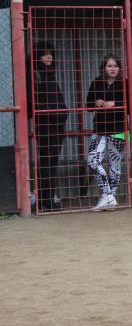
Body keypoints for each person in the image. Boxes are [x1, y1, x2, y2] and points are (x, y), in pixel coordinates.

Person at [85, 54, 132, 211]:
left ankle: (110, 198)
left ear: (119, 68)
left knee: (114, 164)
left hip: (119, 129)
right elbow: (88, 106)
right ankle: (107, 195)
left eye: (115, 66)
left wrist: (116, 104)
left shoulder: (125, 83)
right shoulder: (96, 83)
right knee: (93, 161)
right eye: (109, 66)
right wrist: (96, 103)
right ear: (103, 68)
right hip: (100, 129)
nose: (113, 69)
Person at [28, 41, 68, 212]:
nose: (49, 57)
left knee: (52, 163)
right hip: (46, 126)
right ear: (37, 56)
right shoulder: (35, 75)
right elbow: (33, 104)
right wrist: (55, 113)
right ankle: (46, 200)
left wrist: (63, 113)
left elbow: (57, 101)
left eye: (51, 53)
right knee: (46, 163)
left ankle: (48, 199)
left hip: (57, 126)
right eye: (45, 54)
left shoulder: (51, 76)